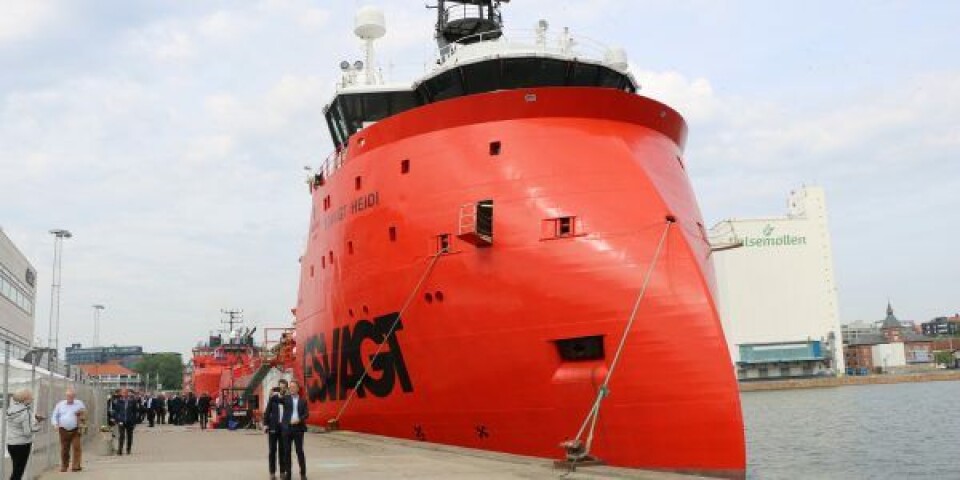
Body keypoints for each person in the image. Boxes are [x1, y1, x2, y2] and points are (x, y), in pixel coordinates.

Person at [6, 388, 42, 480]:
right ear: (25, 398)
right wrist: (38, 425)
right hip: (22, 445)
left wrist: (34, 421)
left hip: (11, 444)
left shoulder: (10, 409)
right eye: (31, 396)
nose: (32, 398)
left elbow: (19, 426)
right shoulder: (25, 412)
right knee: (18, 472)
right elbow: (27, 432)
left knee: (16, 470)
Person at [51, 387, 86, 472]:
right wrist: (55, 424)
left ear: (74, 396)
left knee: (77, 447)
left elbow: (84, 414)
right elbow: (54, 416)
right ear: (66, 396)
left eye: (72, 396)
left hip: (76, 429)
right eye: (68, 396)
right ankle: (64, 465)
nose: (70, 398)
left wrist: (81, 415)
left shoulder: (79, 404)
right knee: (65, 449)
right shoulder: (60, 404)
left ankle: (76, 466)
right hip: (63, 429)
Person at [280, 380, 309, 480]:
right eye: (290, 387)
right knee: (287, 452)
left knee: (299, 451)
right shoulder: (285, 399)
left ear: (297, 389)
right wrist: (281, 390)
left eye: (293, 387)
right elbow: (278, 399)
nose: (291, 388)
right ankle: (288, 474)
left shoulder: (303, 400)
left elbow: (306, 414)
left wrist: (299, 420)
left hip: (298, 428)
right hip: (287, 429)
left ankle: (303, 473)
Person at [264, 385, 287, 480]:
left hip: (283, 428)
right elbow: (267, 412)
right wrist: (266, 424)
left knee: (283, 451)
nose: (282, 390)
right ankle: (272, 473)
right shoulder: (273, 399)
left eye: (283, 388)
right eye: (280, 388)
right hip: (273, 427)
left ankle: (282, 472)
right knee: (272, 451)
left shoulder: (287, 400)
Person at [109, 388, 140, 455]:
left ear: (128, 393)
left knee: (129, 436)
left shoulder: (132, 401)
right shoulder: (118, 401)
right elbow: (116, 412)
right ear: (121, 394)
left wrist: (134, 422)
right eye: (123, 393)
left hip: (130, 421)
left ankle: (128, 449)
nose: (124, 394)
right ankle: (120, 450)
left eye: (126, 392)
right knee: (122, 436)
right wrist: (117, 419)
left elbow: (135, 412)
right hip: (121, 421)